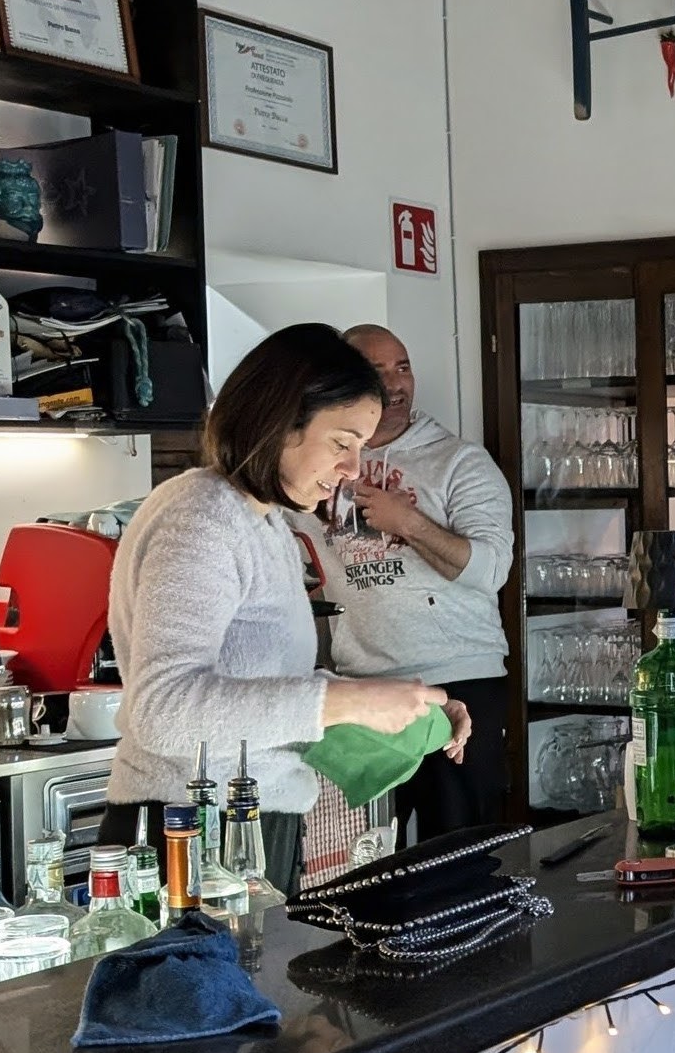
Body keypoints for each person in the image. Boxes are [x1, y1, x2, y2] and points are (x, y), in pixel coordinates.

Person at [105, 324, 472, 895]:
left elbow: (269, 689)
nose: (353, 469)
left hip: (242, 823)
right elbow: (162, 708)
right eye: (342, 442)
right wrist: (345, 698)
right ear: (281, 422)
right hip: (185, 829)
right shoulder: (200, 519)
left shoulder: (265, 520)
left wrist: (416, 713)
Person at [307, 324, 515, 841]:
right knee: (369, 851)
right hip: (361, 687)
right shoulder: (317, 467)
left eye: (403, 367)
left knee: (463, 855)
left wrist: (409, 524)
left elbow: (492, 572)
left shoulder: (459, 462)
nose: (395, 384)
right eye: (377, 372)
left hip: (461, 678)